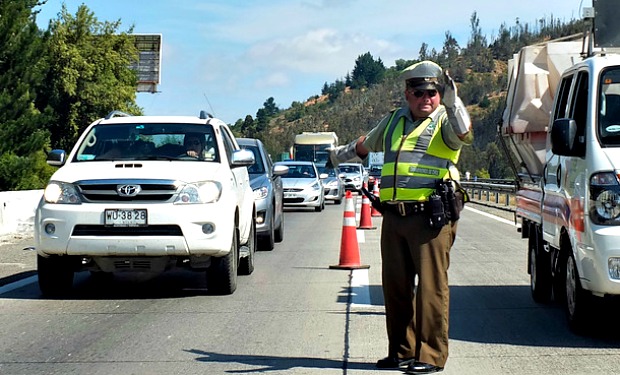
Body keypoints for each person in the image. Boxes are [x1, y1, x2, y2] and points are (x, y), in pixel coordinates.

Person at [328, 60, 473, 374]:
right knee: (395, 288)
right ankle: (401, 352)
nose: (427, 98)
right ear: (407, 93)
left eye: (433, 93)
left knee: (431, 289)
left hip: (429, 219)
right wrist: (336, 156)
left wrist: (453, 101)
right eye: (419, 92)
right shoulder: (394, 120)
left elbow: (464, 132)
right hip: (394, 217)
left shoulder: (443, 122)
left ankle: (431, 355)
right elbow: (366, 145)